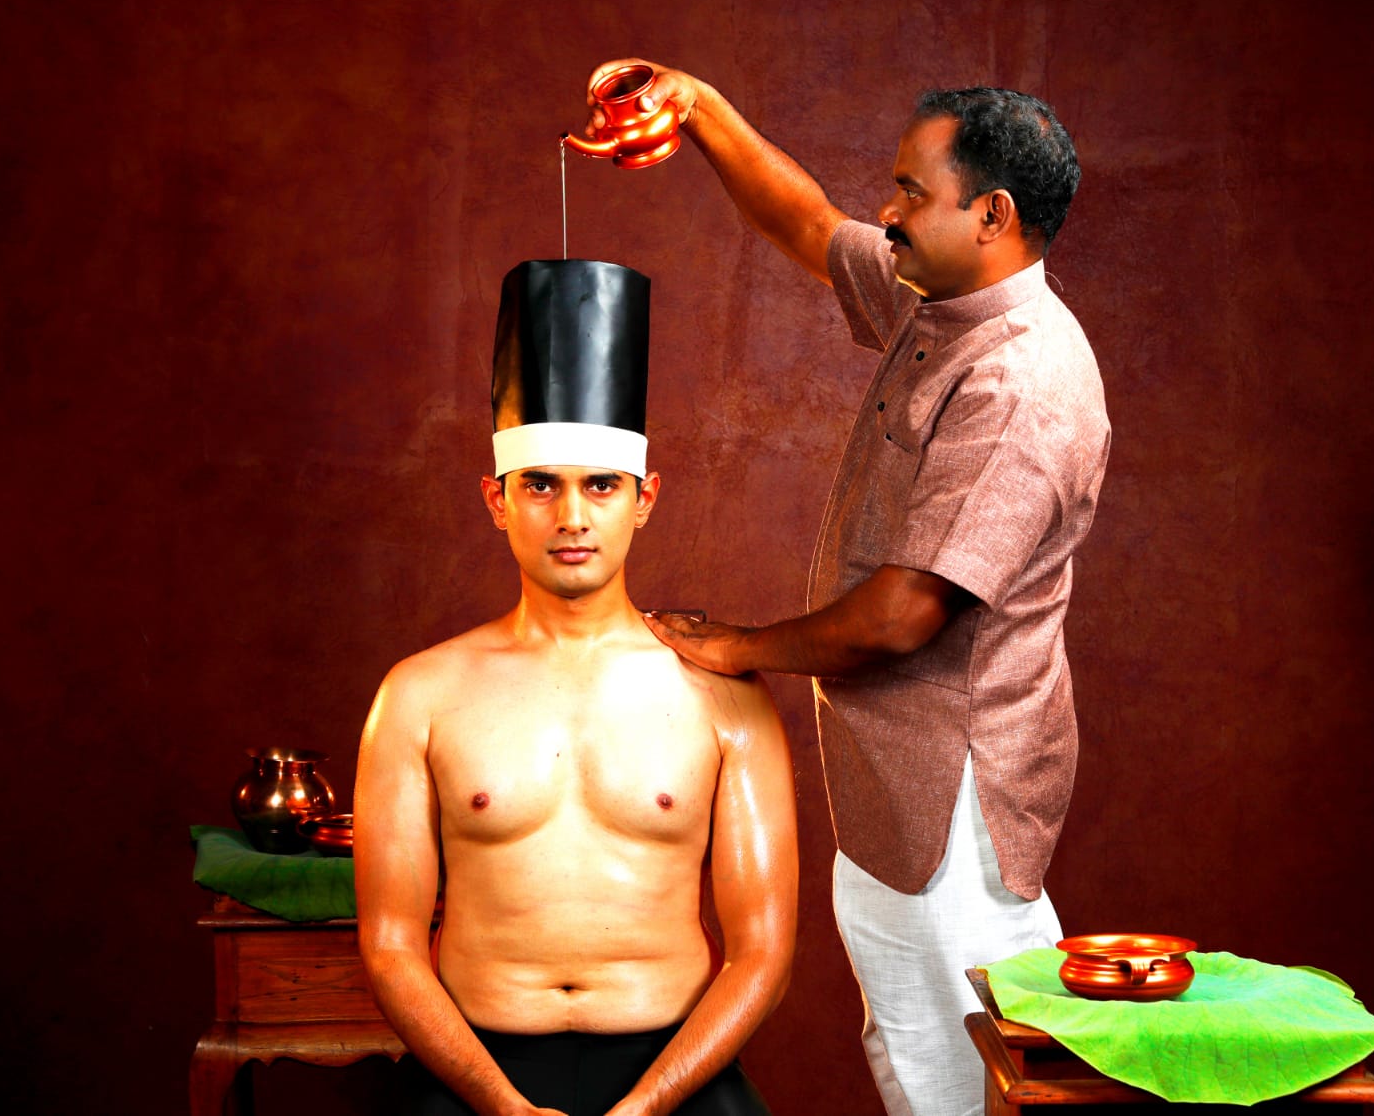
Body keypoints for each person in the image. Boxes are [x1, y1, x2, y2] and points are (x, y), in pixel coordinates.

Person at [585, 62, 1110, 1116]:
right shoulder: (943, 297)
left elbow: (906, 613)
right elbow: (808, 224)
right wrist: (698, 108)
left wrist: (736, 646)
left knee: (981, 1084)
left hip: (953, 808)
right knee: (913, 1062)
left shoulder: (1019, 381)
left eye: (912, 192)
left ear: (991, 213)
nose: (888, 211)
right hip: (886, 786)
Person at [354, 259, 798, 1116]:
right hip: (475, 1072)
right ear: (495, 498)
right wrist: (502, 1105)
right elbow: (391, 944)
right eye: (540, 486)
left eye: (600, 486)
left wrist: (647, 1105)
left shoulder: (724, 698)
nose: (571, 518)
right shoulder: (417, 695)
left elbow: (763, 950)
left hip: (673, 1072)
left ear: (645, 498)